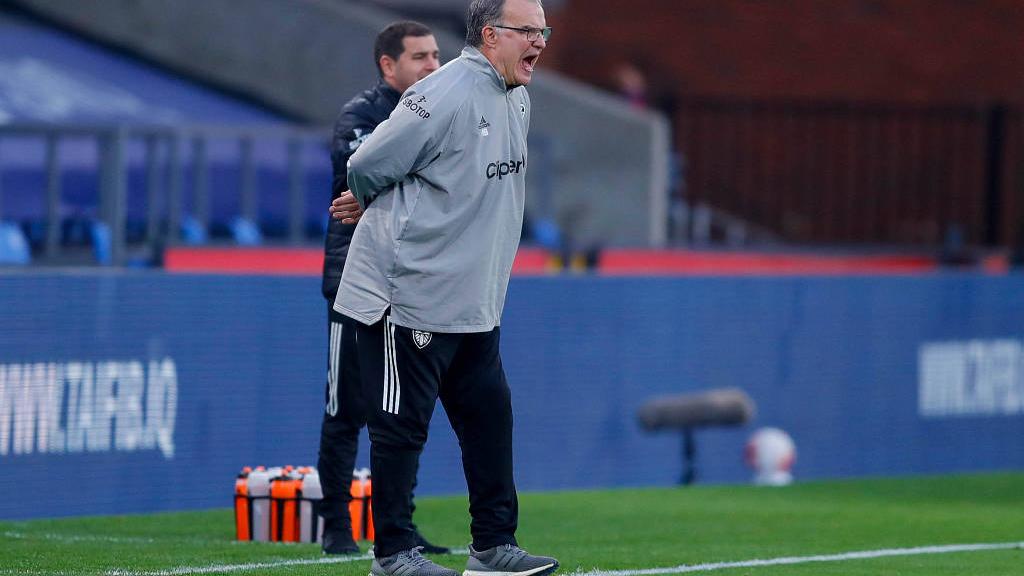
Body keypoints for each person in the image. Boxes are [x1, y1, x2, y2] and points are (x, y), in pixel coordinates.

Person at [330, 1, 559, 576]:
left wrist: (377, 194)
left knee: (490, 424)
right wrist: (371, 195)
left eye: (543, 30)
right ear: (490, 35)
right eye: (528, 31)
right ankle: (393, 555)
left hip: (475, 301)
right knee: (400, 429)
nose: (540, 41)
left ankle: (493, 547)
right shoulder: (444, 92)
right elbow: (367, 161)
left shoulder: (517, 97)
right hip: (409, 295)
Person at [318, 20, 448, 556]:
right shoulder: (362, 116)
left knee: (403, 411)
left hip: (412, 281)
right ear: (388, 65)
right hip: (356, 280)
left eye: (436, 55)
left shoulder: (440, 110)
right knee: (345, 407)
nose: (433, 65)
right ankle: (336, 526)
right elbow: (364, 178)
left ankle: (399, 525)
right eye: (420, 57)